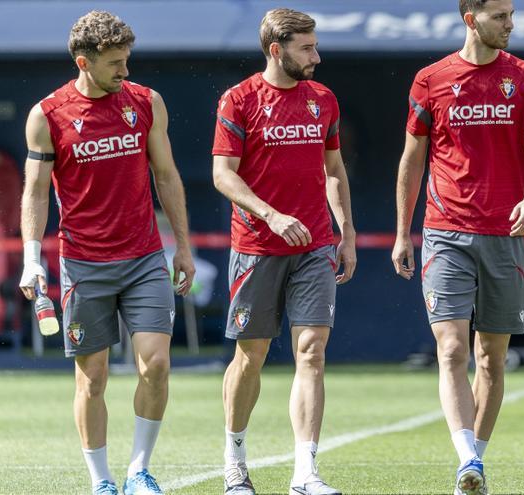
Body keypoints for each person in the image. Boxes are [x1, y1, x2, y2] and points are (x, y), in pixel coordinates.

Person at [19, 10, 195, 494]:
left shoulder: (145, 102)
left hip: (144, 259)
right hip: (82, 263)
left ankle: (140, 470)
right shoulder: (47, 115)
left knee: (155, 364)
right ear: (84, 61)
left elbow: (166, 175)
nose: (126, 71)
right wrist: (31, 255)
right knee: (92, 378)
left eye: (127, 59)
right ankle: (102, 481)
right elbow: (35, 191)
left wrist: (181, 246)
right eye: (116, 63)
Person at [390, 1, 524, 494]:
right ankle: (467, 459)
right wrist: (402, 232)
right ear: (470, 18)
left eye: (511, 14)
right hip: (445, 231)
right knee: (452, 347)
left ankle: (473, 462)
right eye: (500, 15)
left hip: (505, 233)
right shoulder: (431, 79)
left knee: (492, 358)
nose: (510, 24)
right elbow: (412, 162)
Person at [211, 8, 357, 495]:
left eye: (315, 46)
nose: (317, 56)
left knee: (311, 352)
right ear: (277, 50)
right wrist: (270, 214)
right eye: (307, 48)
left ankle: (305, 473)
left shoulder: (323, 99)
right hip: (256, 246)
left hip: (315, 243)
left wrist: (347, 232)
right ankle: (234, 460)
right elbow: (223, 174)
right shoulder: (239, 100)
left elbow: (333, 168)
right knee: (250, 355)